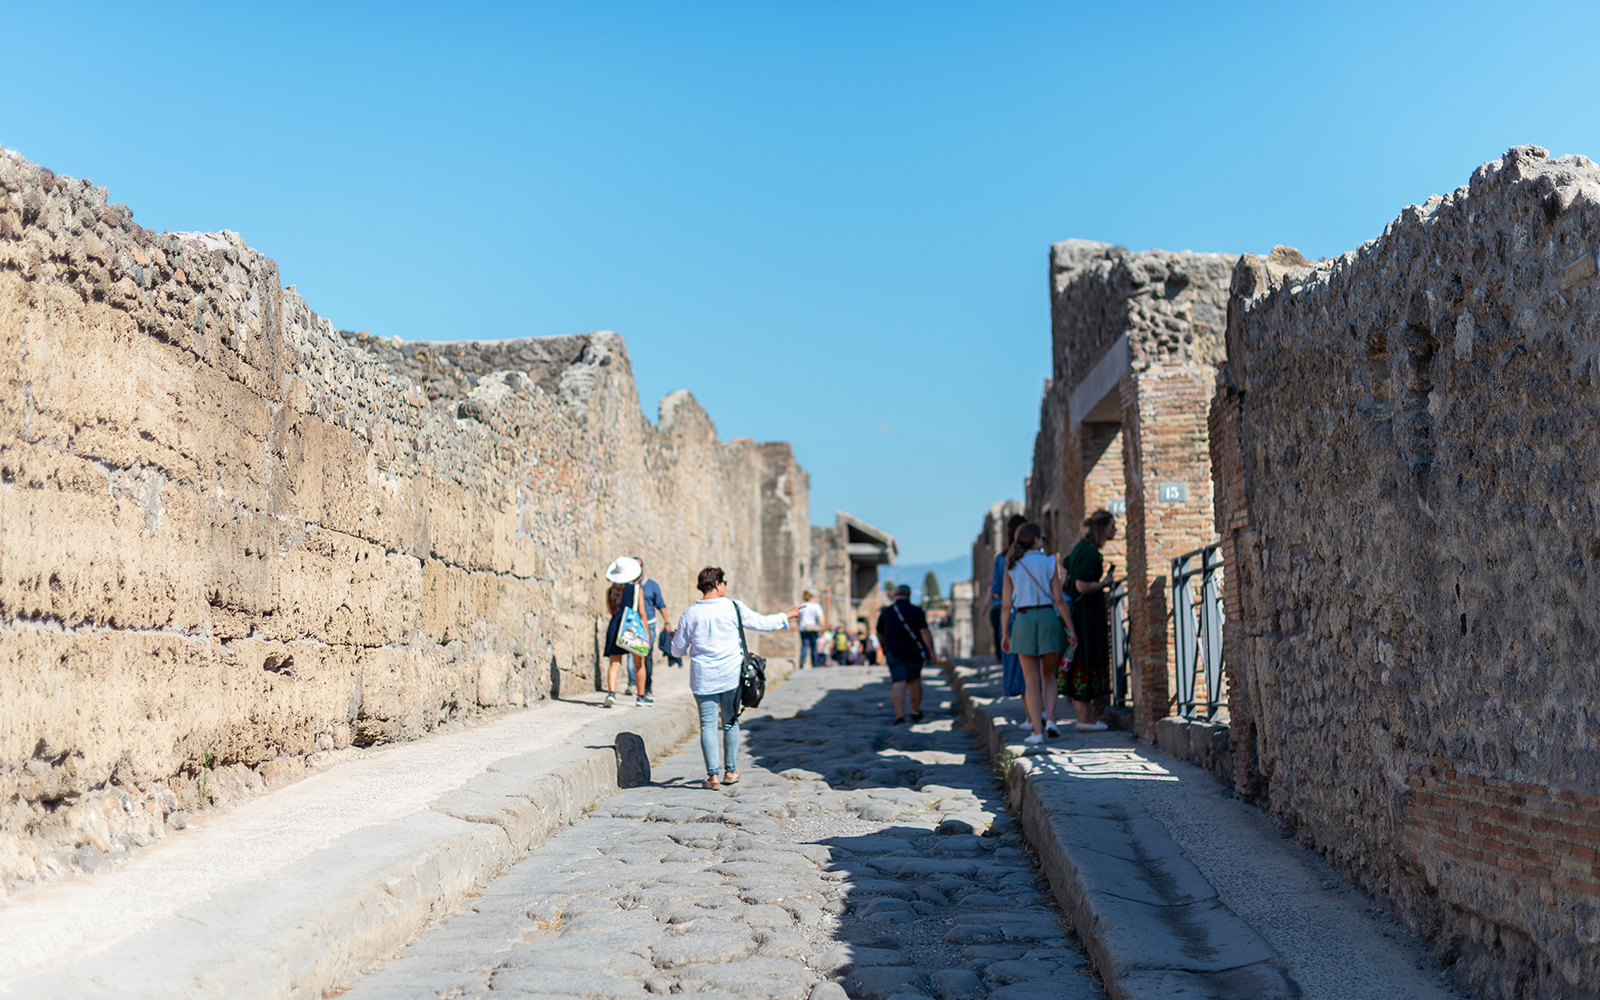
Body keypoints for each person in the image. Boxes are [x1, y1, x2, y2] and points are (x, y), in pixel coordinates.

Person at [669, 567, 800, 789]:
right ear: (718, 584)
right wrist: (787, 615)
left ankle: (712, 778)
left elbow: (677, 651)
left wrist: (675, 639)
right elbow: (762, 623)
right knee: (730, 722)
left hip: (703, 678)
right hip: (731, 676)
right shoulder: (733, 607)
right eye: (724, 582)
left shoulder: (690, 613)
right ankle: (730, 772)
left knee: (708, 726)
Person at [1000, 522, 1076, 744]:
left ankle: (1037, 732)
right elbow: (1059, 599)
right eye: (1042, 537)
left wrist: (1005, 632)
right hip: (1047, 618)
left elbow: (1006, 605)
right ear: (1035, 540)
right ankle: (1051, 719)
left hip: (1023, 620)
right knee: (1049, 675)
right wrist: (1070, 628)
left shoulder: (1012, 565)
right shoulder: (1049, 562)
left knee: (1030, 680)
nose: (1044, 540)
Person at [1065, 511, 1119, 732]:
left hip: (1078, 613)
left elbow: (1067, 567)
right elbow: (1081, 585)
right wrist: (1104, 583)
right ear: (1102, 527)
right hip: (1086, 615)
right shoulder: (1091, 553)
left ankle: (1083, 717)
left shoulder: (1079, 547)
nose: (1115, 530)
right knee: (1086, 659)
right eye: (1112, 526)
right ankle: (1085, 719)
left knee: (1080, 660)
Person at [876, 584, 936, 724]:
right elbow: (924, 632)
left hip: (894, 652)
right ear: (909, 596)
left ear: (895, 595)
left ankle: (899, 716)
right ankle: (915, 712)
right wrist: (930, 650)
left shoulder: (887, 612)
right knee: (914, 681)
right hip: (914, 652)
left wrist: (885, 646)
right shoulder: (917, 611)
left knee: (898, 682)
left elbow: (879, 632)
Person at [602, 556, 649, 708]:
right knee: (639, 664)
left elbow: (611, 611)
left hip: (615, 627)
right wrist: (646, 633)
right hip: (632, 628)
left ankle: (611, 694)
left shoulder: (610, 591)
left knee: (614, 663)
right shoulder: (636, 590)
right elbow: (642, 612)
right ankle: (641, 697)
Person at [991, 514, 1027, 696]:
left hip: (1011, 616)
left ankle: (1031, 716)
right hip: (1034, 612)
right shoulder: (1041, 559)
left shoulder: (1001, 559)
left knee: (1016, 664)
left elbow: (996, 590)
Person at [634, 556, 668, 698]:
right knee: (633, 657)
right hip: (633, 625)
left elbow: (660, 604)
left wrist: (667, 622)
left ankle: (647, 685)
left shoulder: (652, 585)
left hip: (649, 624)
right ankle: (634, 684)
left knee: (646, 656)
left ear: (643, 568)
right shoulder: (627, 585)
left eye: (639, 566)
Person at [797, 591, 824, 668]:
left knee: (805, 645)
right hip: (813, 628)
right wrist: (822, 627)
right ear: (812, 598)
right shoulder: (816, 606)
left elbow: (798, 619)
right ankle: (815, 663)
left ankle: (802, 661)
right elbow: (820, 618)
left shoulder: (801, 606)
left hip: (803, 628)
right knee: (813, 646)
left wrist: (798, 626)